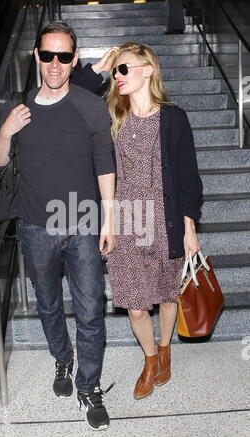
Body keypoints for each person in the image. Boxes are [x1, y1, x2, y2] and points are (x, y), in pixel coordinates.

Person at [0, 22, 116, 431]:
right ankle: (62, 357)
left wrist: (109, 218)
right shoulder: (19, 106)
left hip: (81, 223)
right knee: (47, 305)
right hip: (34, 226)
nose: (55, 64)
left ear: (75, 59)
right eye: (48, 55)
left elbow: (105, 164)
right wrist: (6, 130)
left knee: (90, 310)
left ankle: (89, 385)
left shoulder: (90, 104)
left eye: (64, 56)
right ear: (37, 57)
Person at [106, 43, 203, 400]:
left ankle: (165, 348)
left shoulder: (173, 118)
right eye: (115, 71)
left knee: (166, 295)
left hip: (165, 219)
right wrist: (101, 65)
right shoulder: (113, 116)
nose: (118, 76)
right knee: (134, 305)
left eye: (124, 68)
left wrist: (190, 227)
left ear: (148, 70)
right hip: (127, 220)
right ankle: (149, 361)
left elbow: (188, 176)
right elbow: (74, 98)